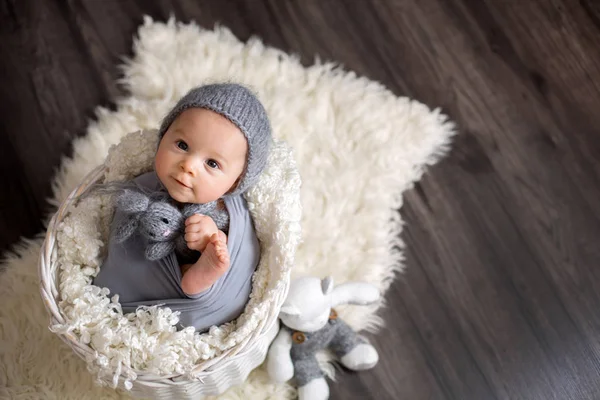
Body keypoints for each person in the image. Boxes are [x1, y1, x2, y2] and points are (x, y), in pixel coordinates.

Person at [93, 83, 272, 332]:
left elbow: (238, 247)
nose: (188, 165)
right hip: (136, 277)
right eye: (182, 145)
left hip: (189, 290)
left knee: (217, 251)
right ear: (164, 135)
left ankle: (200, 277)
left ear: (236, 182)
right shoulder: (143, 185)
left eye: (212, 163)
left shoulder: (223, 208)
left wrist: (210, 237)